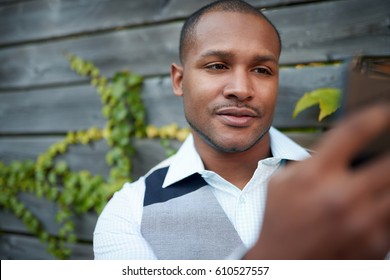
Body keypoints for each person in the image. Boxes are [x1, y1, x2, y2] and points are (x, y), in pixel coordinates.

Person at [93, 0, 390, 260]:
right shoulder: (128, 213)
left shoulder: (354, 190)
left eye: (261, 70)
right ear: (179, 81)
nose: (241, 89)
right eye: (217, 66)